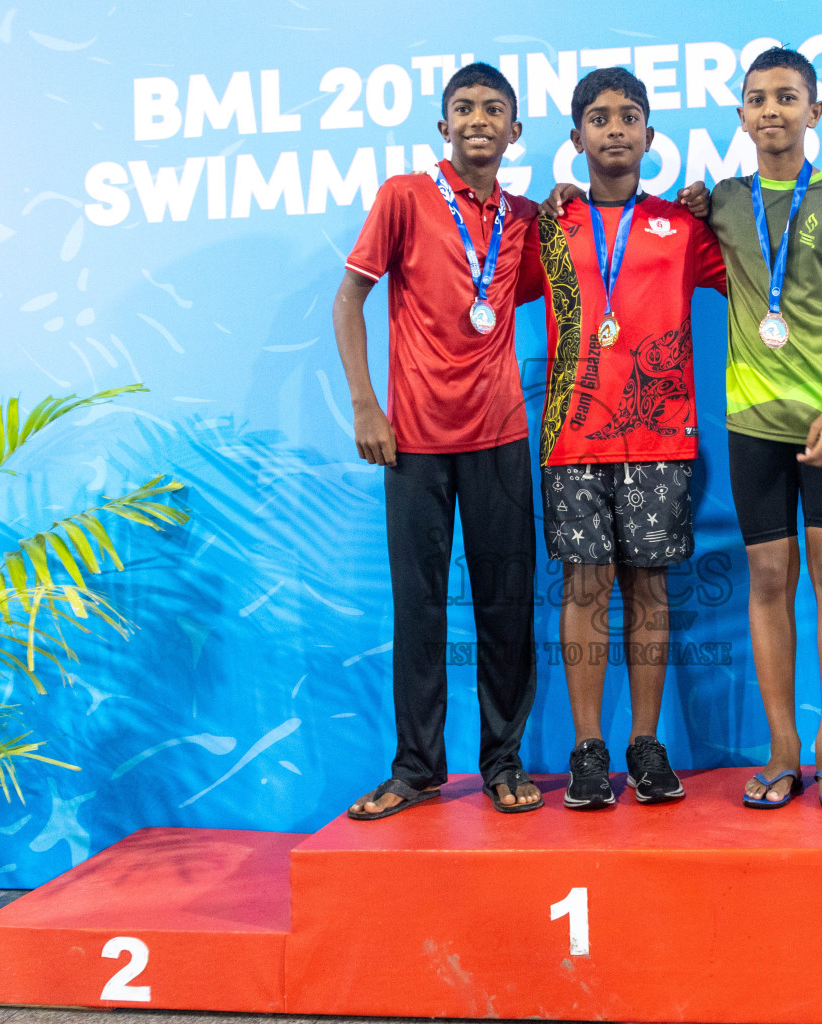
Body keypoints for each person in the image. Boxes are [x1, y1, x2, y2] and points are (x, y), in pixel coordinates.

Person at [332, 63, 545, 819]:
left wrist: (575, 205)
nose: (478, 119)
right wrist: (366, 404)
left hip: (500, 437)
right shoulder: (404, 197)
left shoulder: (526, 221)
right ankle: (416, 768)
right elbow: (350, 298)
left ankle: (503, 761)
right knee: (419, 608)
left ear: (515, 131)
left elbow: (590, 255)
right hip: (414, 439)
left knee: (506, 605)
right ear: (443, 125)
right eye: (464, 107)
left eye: (494, 109)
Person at [700, 46, 822, 810]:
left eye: (788, 97)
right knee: (770, 581)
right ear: (742, 116)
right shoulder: (717, 202)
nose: (772, 109)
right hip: (752, 421)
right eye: (758, 98)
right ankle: (783, 749)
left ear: (815, 112)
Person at [529, 68, 726, 809]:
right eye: (600, 118)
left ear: (650, 136)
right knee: (585, 589)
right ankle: (588, 750)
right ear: (576, 137)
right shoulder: (549, 226)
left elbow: (757, 267)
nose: (615, 129)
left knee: (649, 588)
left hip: (661, 438)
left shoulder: (683, 229)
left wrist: (723, 205)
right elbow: (484, 280)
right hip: (571, 437)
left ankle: (646, 746)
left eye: (630, 117)